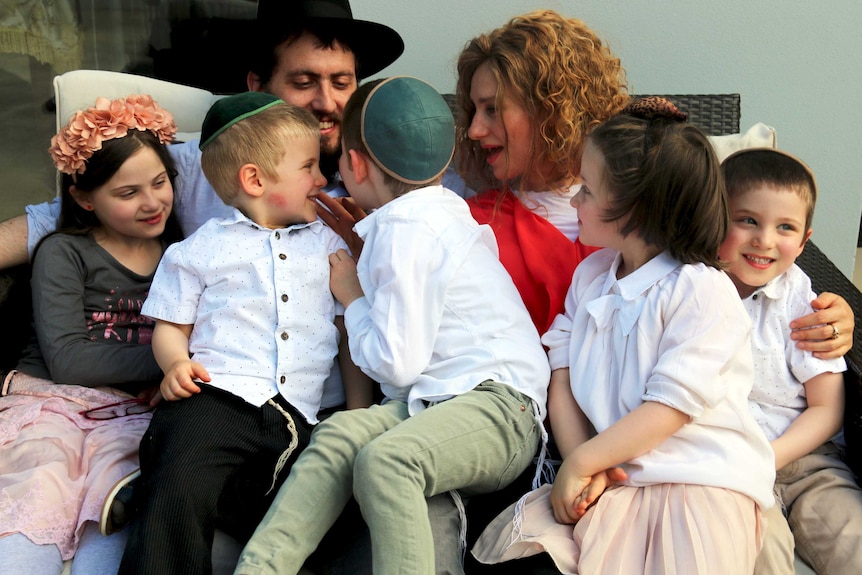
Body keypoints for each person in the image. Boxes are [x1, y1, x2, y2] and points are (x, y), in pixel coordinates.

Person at [234, 76, 550, 575]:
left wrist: (354, 298)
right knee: (341, 436)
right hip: (438, 403)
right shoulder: (432, 213)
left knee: (387, 461)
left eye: (334, 161)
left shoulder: (405, 228)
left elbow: (396, 367)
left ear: (355, 164)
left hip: (499, 409)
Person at [471, 98, 776, 575]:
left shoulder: (699, 290)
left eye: (587, 191)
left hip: (693, 486)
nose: (574, 202)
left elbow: (669, 407)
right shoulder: (592, 276)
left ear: (636, 207)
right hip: (612, 477)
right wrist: (580, 464)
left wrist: (583, 463)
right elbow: (562, 376)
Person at [116, 92, 371, 575]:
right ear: (254, 179)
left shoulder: (332, 243)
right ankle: (164, 495)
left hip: (299, 415)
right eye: (309, 167)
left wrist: (358, 413)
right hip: (216, 396)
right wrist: (175, 364)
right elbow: (172, 325)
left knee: (320, 503)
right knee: (183, 473)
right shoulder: (202, 249)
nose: (323, 179)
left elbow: (346, 335)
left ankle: (152, 489)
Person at [0, 94, 183, 574]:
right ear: (84, 199)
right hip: (54, 405)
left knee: (113, 509)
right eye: (127, 194)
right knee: (40, 493)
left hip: (131, 417)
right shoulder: (65, 253)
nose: (151, 203)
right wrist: (171, 362)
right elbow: (69, 361)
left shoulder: (186, 257)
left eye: (160, 182)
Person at [718, 148, 861, 575]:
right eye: (747, 220)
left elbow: (827, 407)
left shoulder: (803, 301)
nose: (764, 240)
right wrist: (748, 464)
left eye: (784, 227)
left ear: (804, 240)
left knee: (853, 541)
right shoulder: (692, 292)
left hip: (805, 458)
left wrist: (770, 456)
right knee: (759, 554)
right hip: (729, 464)